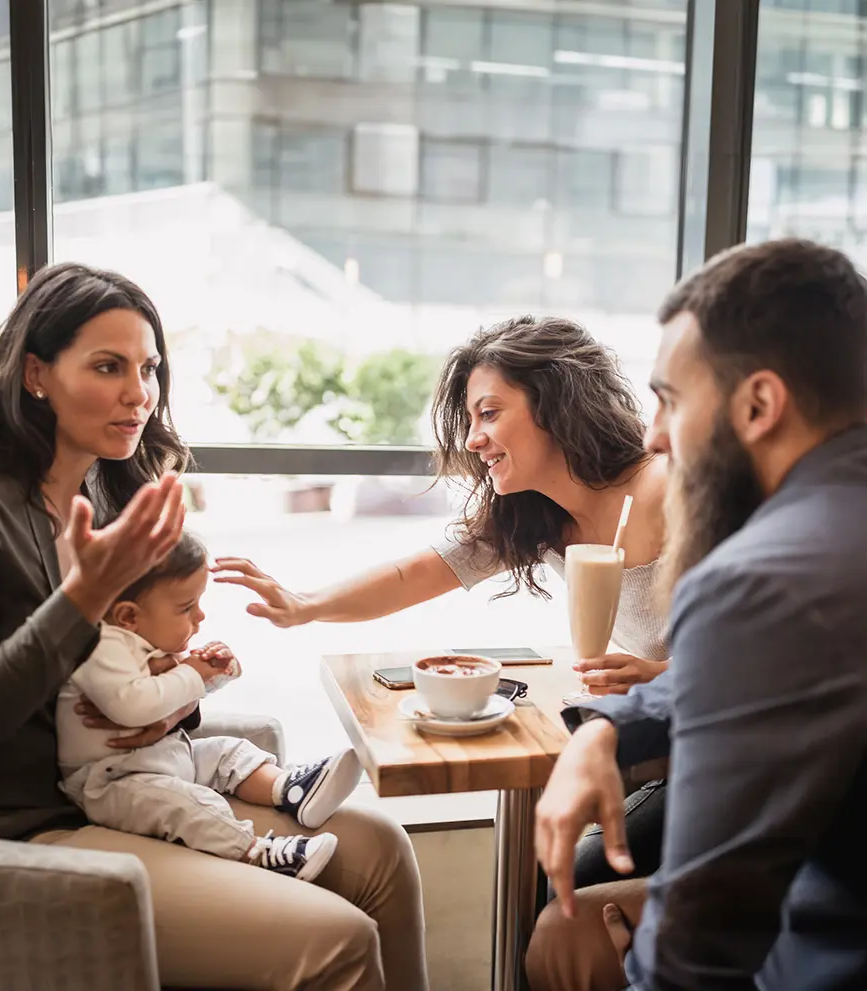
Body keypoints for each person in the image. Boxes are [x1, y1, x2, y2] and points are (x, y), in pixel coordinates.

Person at [0, 262, 428, 991]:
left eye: (148, 368)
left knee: (381, 848)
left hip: (105, 784)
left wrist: (175, 700)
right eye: (108, 367)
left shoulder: (106, 489)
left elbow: (135, 662)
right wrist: (80, 601)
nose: (139, 394)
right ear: (36, 372)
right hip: (0, 827)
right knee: (338, 942)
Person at [214, 314, 671, 888]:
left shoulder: (667, 489)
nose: (474, 439)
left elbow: (772, 639)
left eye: (489, 413)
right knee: (550, 888)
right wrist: (303, 604)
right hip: (656, 745)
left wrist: (666, 673)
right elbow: (414, 574)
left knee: (562, 892)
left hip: (728, 754)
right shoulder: (536, 516)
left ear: (556, 404)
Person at [528, 238, 867, 991]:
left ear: (758, 404)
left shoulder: (760, 578)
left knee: (561, 925)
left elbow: (702, 941)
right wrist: (612, 725)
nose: (653, 435)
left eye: (671, 401)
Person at [57, 528, 364, 882]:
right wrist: (190, 671)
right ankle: (257, 851)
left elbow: (178, 696)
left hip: (158, 758)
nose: (200, 617)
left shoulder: (143, 638)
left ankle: (291, 789)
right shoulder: (100, 646)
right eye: (187, 608)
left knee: (226, 751)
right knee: (185, 803)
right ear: (129, 616)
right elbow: (134, 707)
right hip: (112, 783)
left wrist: (217, 671)